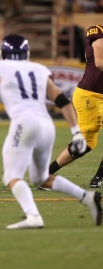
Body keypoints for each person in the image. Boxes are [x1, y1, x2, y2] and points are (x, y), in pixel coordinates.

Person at [0, 34, 102, 229]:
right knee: (40, 178)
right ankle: (86, 197)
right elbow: (62, 100)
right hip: (46, 126)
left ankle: (33, 216)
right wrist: (75, 131)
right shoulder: (38, 69)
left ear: (2, 53)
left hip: (24, 123)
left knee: (11, 176)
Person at [49, 25, 103, 189]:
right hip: (90, 95)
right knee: (86, 144)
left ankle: (99, 177)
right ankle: (47, 173)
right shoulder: (97, 30)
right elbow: (100, 62)